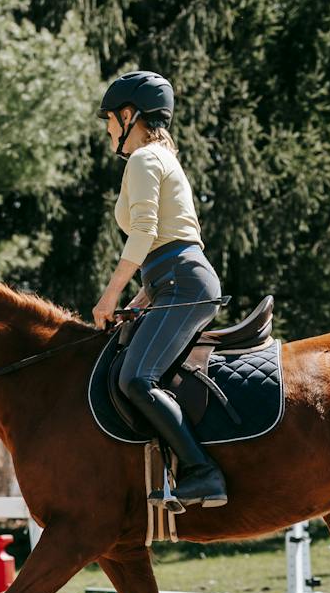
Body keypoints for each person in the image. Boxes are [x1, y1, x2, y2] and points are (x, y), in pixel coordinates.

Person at [92, 70, 228, 510]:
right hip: (175, 279)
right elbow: (170, 242)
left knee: (137, 378)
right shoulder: (162, 160)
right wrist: (140, 299)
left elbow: (147, 232)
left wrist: (111, 294)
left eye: (111, 120)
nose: (110, 129)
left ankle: (203, 472)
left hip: (182, 282)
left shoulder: (144, 159)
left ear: (129, 116)